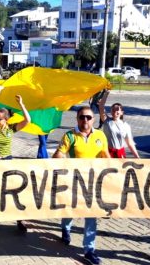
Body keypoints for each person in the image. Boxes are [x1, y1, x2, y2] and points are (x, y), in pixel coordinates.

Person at [53, 106, 110, 265]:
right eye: (82, 117)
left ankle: (89, 250)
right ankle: (66, 228)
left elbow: (105, 155)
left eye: (88, 117)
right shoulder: (70, 136)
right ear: (77, 119)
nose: (85, 120)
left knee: (91, 216)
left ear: (93, 119)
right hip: (73, 180)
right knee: (70, 209)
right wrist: (58, 157)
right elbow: (59, 153)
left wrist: (114, 168)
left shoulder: (100, 135)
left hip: (92, 182)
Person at [0, 85, 31, 232]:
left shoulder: (11, 129)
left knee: (13, 189)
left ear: (6, 120)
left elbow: (28, 120)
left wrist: (21, 104)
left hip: (7, 161)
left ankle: (19, 220)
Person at [98, 90, 140, 158]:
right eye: (113, 110)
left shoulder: (126, 125)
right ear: (111, 112)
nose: (115, 112)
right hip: (108, 153)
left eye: (117, 110)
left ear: (121, 112)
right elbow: (101, 106)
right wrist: (106, 93)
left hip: (120, 153)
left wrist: (137, 157)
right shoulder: (107, 121)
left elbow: (130, 143)